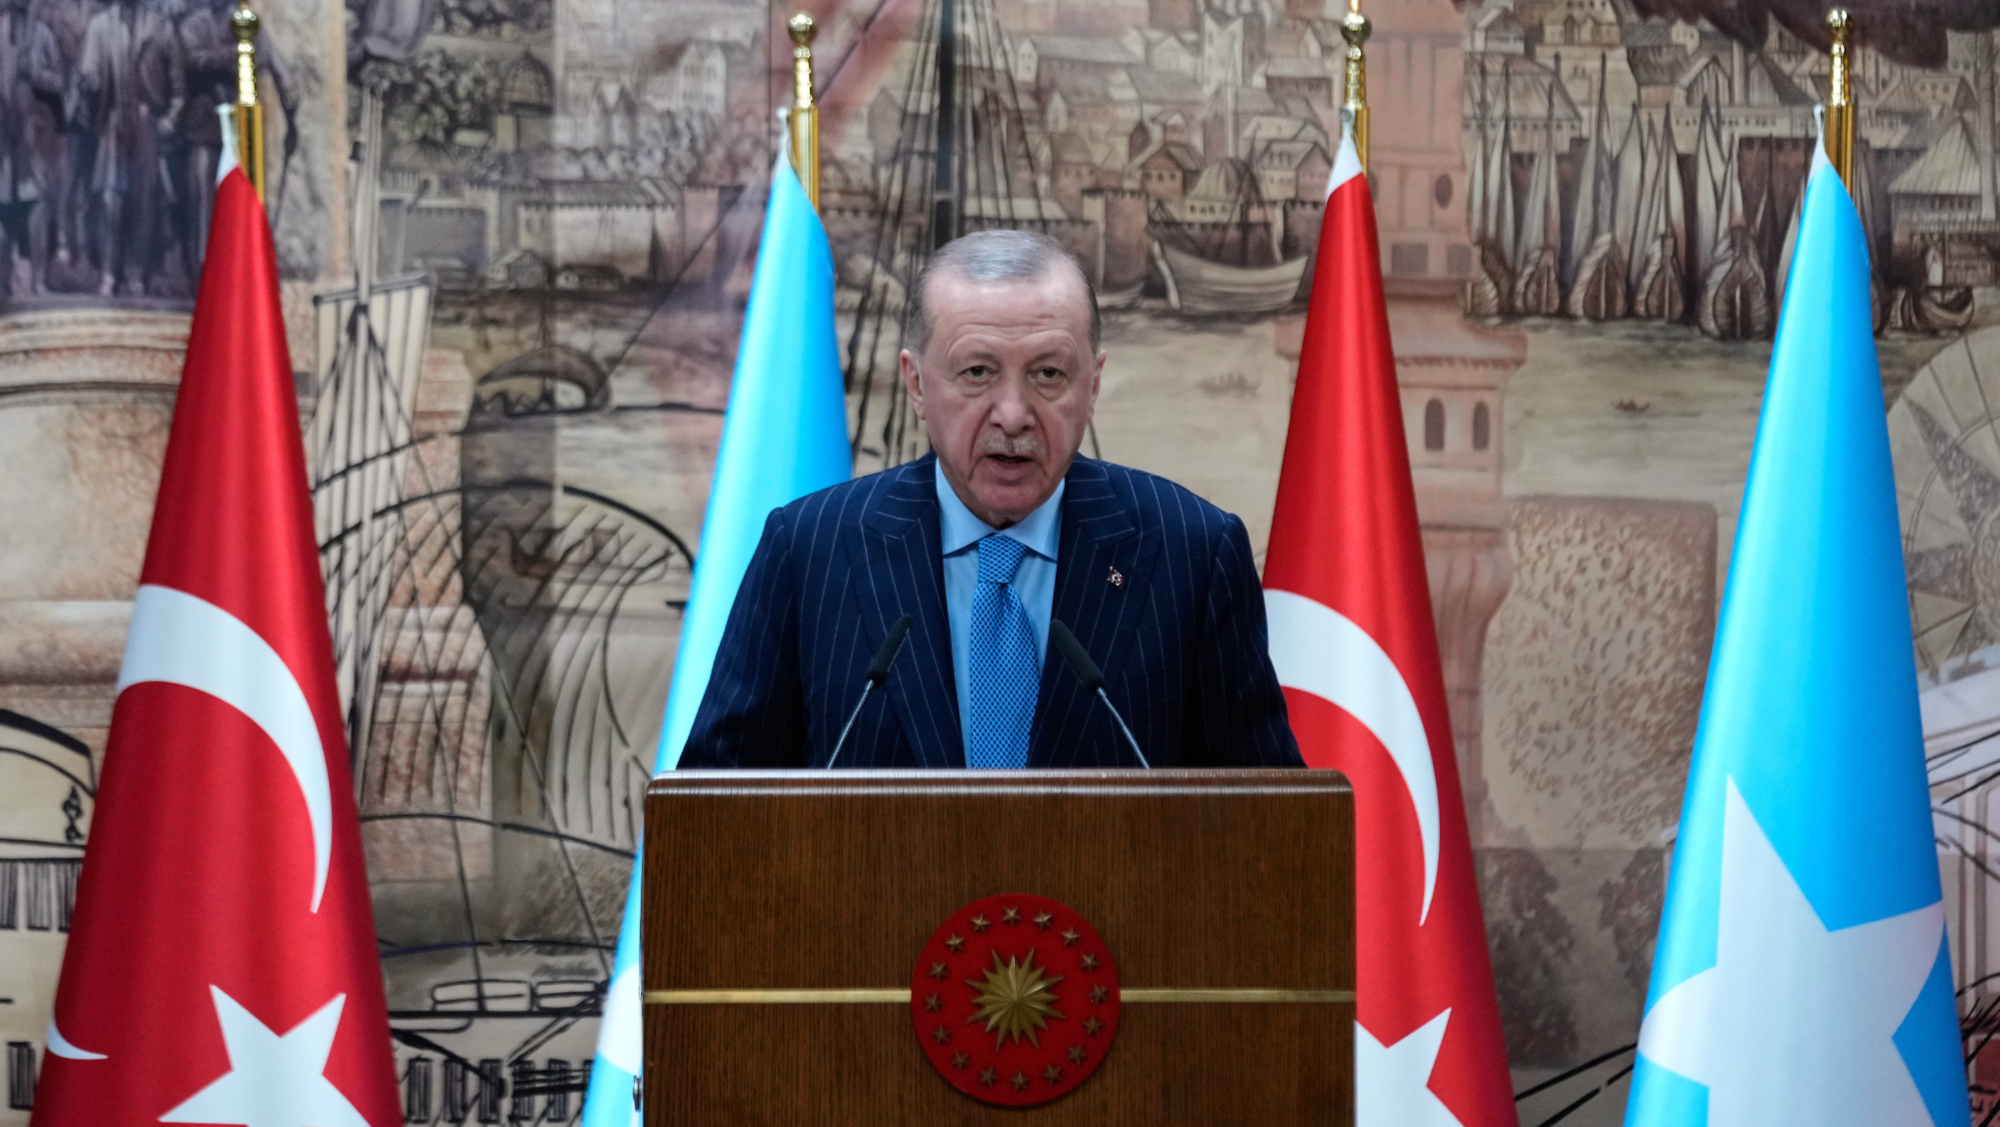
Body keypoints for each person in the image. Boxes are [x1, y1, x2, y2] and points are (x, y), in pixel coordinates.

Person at [680, 229, 1301, 769]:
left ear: (1092, 386)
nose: (1013, 413)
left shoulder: (1192, 555)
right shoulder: (810, 551)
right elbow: (716, 811)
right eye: (977, 372)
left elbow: (1266, 821)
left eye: (1048, 374)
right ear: (916, 385)